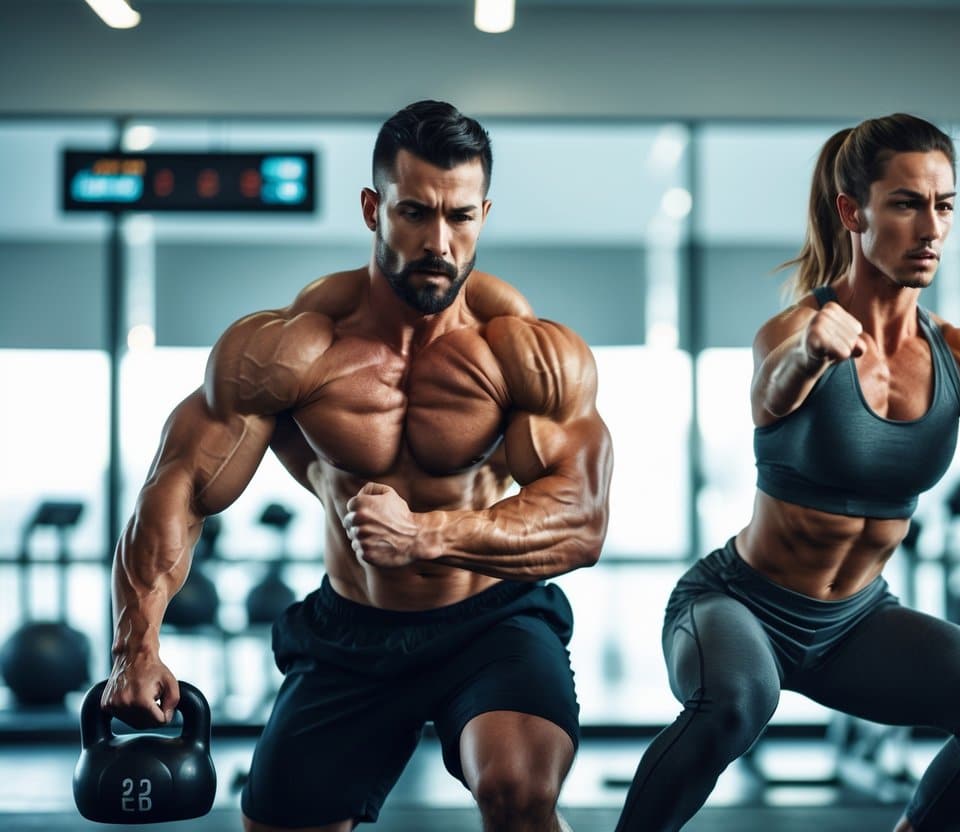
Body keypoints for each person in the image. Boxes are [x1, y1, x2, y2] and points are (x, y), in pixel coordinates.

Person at [101, 100, 613, 832]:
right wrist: (136, 648)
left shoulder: (523, 353)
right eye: (415, 212)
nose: (439, 241)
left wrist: (426, 536)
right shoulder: (287, 351)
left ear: (484, 215)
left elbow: (581, 523)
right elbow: (178, 490)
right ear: (374, 208)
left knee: (518, 791)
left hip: (492, 622)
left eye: (461, 217)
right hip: (352, 630)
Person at [615, 113, 960, 832]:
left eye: (943, 206)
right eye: (906, 204)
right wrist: (811, 352)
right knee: (737, 703)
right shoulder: (794, 331)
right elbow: (770, 395)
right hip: (739, 605)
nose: (930, 228)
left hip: (854, 623)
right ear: (853, 212)